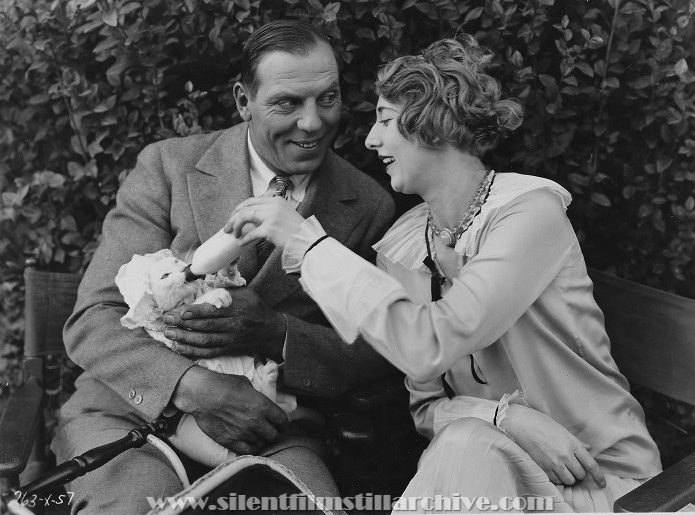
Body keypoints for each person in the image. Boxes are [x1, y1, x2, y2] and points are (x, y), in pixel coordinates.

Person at [227, 35, 662, 512]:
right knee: (467, 443)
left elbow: (431, 343)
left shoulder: (529, 215)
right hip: (495, 472)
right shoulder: (405, 246)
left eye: (386, 121)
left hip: (602, 480)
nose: (370, 140)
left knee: (465, 446)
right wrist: (503, 418)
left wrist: (306, 243)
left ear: (430, 124)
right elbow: (427, 408)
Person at [52, 19, 395, 514]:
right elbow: (94, 319)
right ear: (243, 102)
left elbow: (375, 350)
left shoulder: (367, 205)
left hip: (271, 429)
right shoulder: (168, 169)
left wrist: (276, 332)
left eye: (328, 97)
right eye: (287, 102)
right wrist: (193, 387)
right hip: (129, 419)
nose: (314, 122)